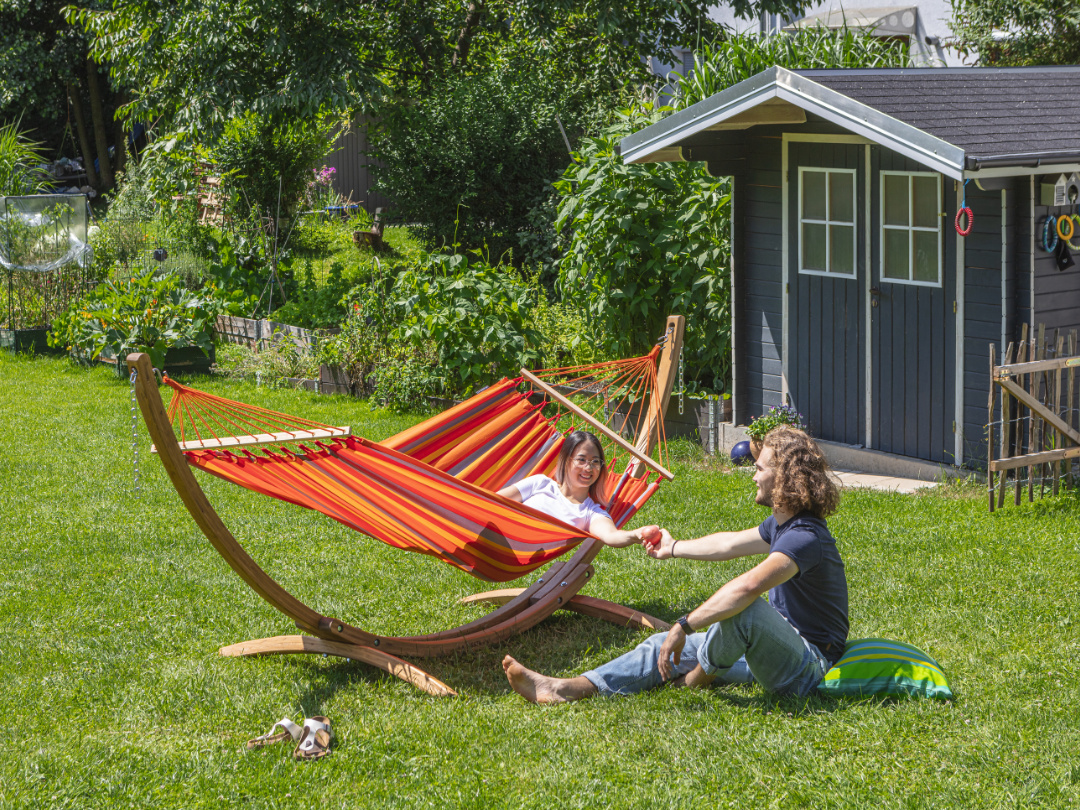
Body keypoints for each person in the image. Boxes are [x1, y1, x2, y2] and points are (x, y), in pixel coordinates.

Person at [503, 426, 847, 703]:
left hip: (807, 666)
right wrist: (673, 547)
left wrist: (684, 625)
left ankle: (695, 682)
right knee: (658, 646)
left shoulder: (805, 537)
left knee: (745, 611)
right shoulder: (782, 524)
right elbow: (727, 543)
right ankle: (567, 688)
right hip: (767, 650)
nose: (753, 476)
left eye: (759, 469)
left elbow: (748, 587)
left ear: (784, 476)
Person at [498, 429, 659, 548]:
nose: (588, 468)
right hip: (496, 536)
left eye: (595, 462)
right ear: (566, 461)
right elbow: (493, 502)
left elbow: (611, 535)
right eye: (581, 460)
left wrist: (636, 534)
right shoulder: (540, 483)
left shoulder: (590, 512)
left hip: (520, 552)